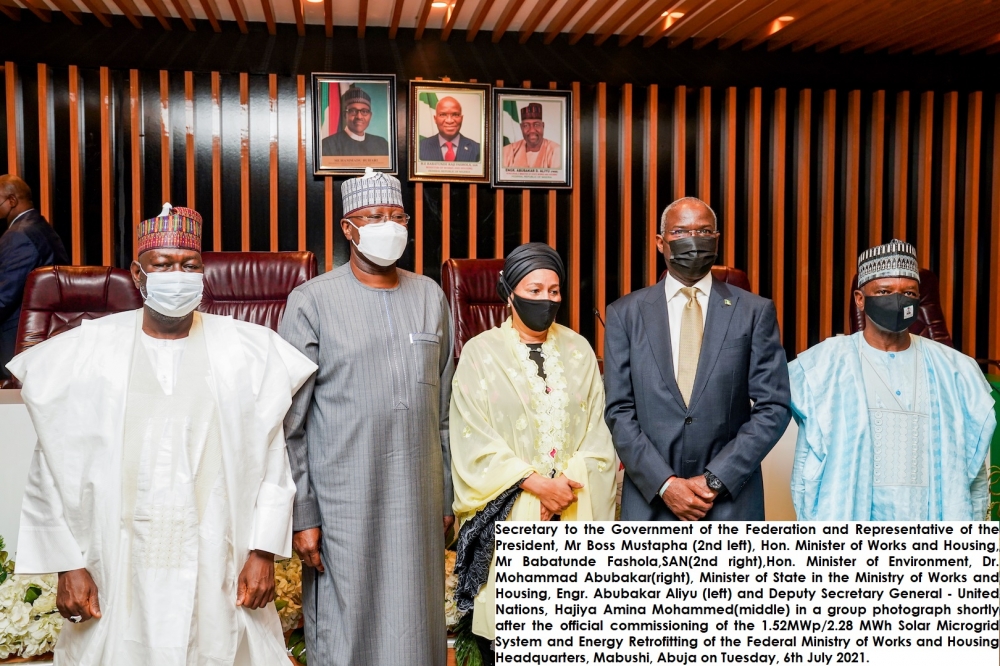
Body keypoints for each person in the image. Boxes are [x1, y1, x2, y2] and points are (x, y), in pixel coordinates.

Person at [7, 203, 316, 666]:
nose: (178, 274)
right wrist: (68, 564)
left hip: (221, 560)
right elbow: (50, 466)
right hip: (115, 563)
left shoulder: (247, 351)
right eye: (163, 265)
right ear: (137, 273)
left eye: (189, 265)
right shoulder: (86, 351)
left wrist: (263, 550)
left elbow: (273, 457)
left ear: (203, 271)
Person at [280, 167, 454, 666]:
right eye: (374, 216)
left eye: (397, 216)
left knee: (417, 626)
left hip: (418, 502)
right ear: (347, 228)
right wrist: (303, 513)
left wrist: (442, 493)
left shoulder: (430, 296)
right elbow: (290, 424)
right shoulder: (311, 302)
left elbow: (442, 409)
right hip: (341, 504)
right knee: (347, 626)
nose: (388, 225)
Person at [450, 243, 616, 662]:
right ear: (509, 291)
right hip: (508, 518)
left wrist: (564, 491)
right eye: (535, 289)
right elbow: (472, 437)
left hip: (573, 513)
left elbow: (600, 435)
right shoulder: (479, 354)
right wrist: (535, 487)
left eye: (554, 291)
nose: (546, 300)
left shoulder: (579, 351)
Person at [604, 197, 791, 521]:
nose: (693, 239)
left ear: (716, 240)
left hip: (730, 501)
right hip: (652, 503)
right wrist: (665, 484)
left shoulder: (754, 312)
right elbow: (619, 411)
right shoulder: (625, 314)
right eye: (681, 231)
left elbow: (773, 407)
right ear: (661, 243)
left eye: (703, 231)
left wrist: (715, 479)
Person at [790, 240, 995, 521]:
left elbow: (976, 473)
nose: (898, 301)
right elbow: (805, 461)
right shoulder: (822, 364)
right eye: (884, 292)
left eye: (908, 292)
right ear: (860, 299)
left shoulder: (957, 370)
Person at [0, 175, 69, 379]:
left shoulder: (20, 234)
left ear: (12, 200)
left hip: (18, 339)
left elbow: (4, 295)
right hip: (45, 333)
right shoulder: (39, 226)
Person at [320, 86, 390, 158]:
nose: (359, 117)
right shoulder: (327, 145)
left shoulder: (382, 144)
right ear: (345, 115)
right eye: (353, 111)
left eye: (364, 111)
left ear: (370, 116)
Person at [418, 96, 481, 162]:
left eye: (455, 115)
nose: (449, 121)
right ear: (435, 119)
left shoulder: (478, 149)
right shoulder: (420, 148)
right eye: (443, 115)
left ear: (461, 118)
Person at [501, 103, 560, 169]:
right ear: (521, 127)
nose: (532, 130)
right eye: (526, 125)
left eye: (536, 125)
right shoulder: (508, 151)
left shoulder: (556, 151)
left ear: (543, 126)